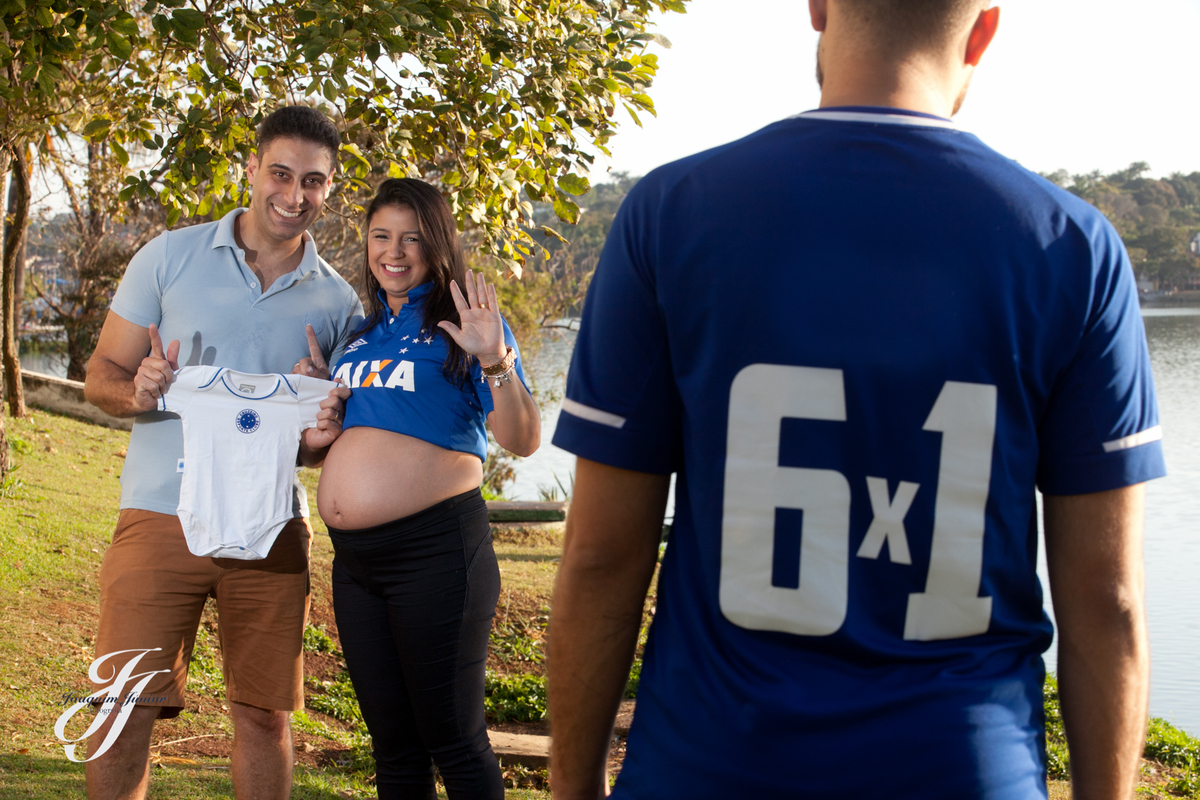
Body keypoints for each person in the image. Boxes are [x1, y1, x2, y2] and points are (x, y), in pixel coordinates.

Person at [547, 2, 1167, 799]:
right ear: (983, 30)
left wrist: (572, 789)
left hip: (711, 765)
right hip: (962, 769)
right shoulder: (1074, 247)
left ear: (816, 8)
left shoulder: (670, 214)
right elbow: (1106, 599)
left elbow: (602, 557)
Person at [82, 105, 362, 800]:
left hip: (269, 525)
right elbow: (100, 377)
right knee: (123, 704)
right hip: (159, 513)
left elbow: (324, 449)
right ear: (251, 168)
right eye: (281, 173)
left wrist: (320, 414)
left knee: (264, 715)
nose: (295, 196)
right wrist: (141, 390)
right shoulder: (169, 255)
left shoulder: (339, 303)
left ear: (331, 188)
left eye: (314, 182)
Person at [315, 177, 540, 800]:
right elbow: (347, 443)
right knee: (393, 747)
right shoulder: (359, 336)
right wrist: (318, 419)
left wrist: (496, 361)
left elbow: (522, 439)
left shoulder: (466, 325)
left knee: (455, 741)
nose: (395, 251)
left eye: (412, 239)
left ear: (437, 245)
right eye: (381, 236)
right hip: (357, 564)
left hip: (436, 554)